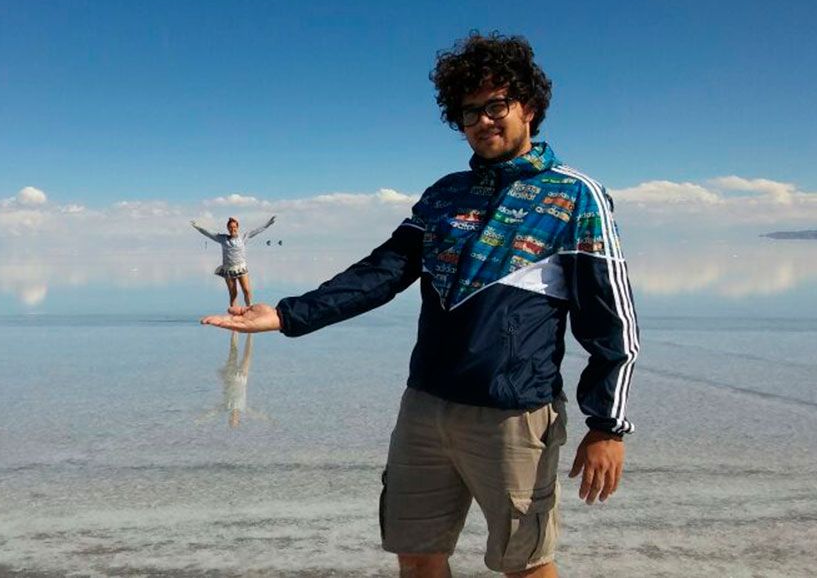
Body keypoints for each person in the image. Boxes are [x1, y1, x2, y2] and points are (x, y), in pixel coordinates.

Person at [202, 32, 639, 578]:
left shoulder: (575, 196)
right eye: (469, 112)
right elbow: (384, 270)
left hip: (514, 413)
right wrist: (290, 314)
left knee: (525, 564)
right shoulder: (444, 195)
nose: (482, 121)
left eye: (496, 105)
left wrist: (607, 426)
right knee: (417, 556)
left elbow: (611, 321)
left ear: (529, 106)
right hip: (425, 409)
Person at [192, 215, 276, 307]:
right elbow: (208, 233)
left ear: (237, 227)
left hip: (241, 268)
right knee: (233, 294)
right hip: (228, 270)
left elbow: (257, 230)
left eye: (234, 227)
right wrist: (197, 226)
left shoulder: (244, 236)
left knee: (247, 290)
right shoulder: (222, 238)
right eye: (230, 227)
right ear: (228, 228)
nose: (233, 229)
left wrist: (269, 223)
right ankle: (234, 313)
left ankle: (249, 309)